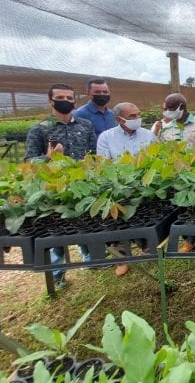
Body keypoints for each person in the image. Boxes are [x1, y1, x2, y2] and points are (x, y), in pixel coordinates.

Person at [25, 83, 97, 290]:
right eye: (60, 97)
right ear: (50, 101)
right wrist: (47, 158)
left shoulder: (85, 125)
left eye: (69, 98)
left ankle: (90, 258)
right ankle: (58, 272)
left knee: (84, 222)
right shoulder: (39, 129)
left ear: (75, 101)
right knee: (56, 232)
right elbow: (29, 162)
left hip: (82, 185)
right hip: (53, 188)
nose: (65, 101)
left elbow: (93, 154)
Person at [96, 102, 157, 276]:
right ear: (119, 119)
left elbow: (158, 158)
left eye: (138, 114)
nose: (137, 118)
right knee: (119, 220)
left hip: (145, 185)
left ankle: (146, 247)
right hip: (119, 187)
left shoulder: (149, 135)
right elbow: (103, 164)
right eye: (132, 116)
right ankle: (122, 257)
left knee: (145, 216)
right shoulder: (106, 137)